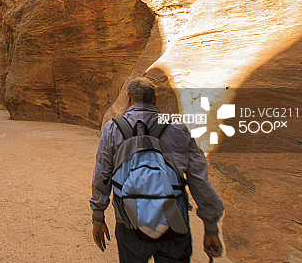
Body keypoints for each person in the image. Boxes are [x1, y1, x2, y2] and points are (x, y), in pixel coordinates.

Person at [90, 77, 224, 262]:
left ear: (128, 99)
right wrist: (211, 227)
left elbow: (102, 175)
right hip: (173, 221)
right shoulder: (178, 129)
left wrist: (98, 216)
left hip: (130, 221)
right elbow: (199, 180)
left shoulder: (113, 129)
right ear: (154, 100)